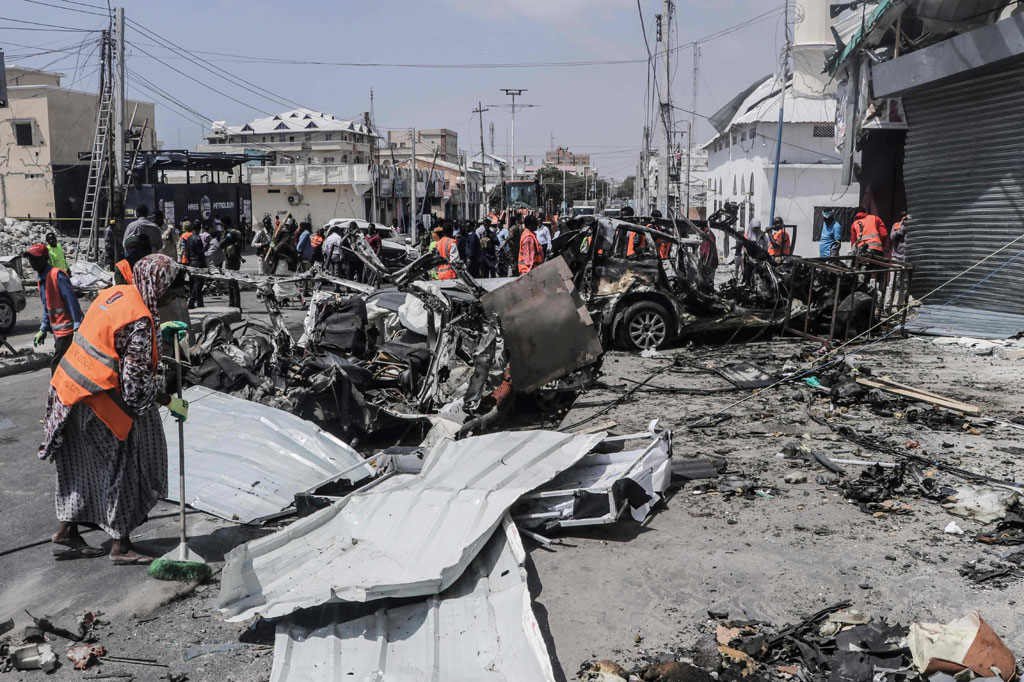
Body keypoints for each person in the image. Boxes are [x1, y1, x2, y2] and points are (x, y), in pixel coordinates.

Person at [43, 254, 190, 564]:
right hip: (97, 399)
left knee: (82, 468)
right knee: (122, 466)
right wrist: (168, 400)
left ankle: (67, 530)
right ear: (155, 283)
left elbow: (110, 338)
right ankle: (121, 546)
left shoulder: (115, 293)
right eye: (169, 289)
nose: (169, 297)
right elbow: (135, 389)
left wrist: (153, 341)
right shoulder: (139, 318)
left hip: (68, 392)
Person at [24, 243, 84, 373]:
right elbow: (48, 307)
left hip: (67, 330)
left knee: (57, 366)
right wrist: (43, 329)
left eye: (35, 258)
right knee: (68, 367)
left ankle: (56, 393)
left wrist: (77, 327)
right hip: (58, 331)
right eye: (30, 259)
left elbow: (72, 302)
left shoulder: (57, 275)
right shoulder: (41, 279)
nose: (32, 262)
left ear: (45, 258)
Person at [220, 220, 244, 308]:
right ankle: (235, 304)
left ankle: (234, 305)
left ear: (225, 225)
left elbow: (221, 244)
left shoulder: (229, 234)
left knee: (232, 285)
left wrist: (224, 234)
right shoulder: (237, 233)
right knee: (233, 283)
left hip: (230, 261)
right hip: (236, 260)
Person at [742, 219, 771, 286]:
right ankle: (748, 286)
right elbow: (743, 247)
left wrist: (764, 254)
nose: (756, 230)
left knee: (759, 273)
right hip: (749, 258)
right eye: (755, 228)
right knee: (748, 273)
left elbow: (766, 245)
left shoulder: (763, 235)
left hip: (759, 258)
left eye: (758, 228)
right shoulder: (747, 236)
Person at [185, 226, 207, 308]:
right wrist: (206, 247)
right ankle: (192, 302)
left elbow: (187, 250)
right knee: (198, 283)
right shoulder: (197, 238)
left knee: (193, 283)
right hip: (197, 262)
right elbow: (200, 252)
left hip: (191, 262)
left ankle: (199, 302)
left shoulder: (189, 238)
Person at [697, 224, 719, 291]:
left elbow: (706, 253)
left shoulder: (708, 238)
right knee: (709, 279)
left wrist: (703, 263)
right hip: (711, 262)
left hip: (709, 263)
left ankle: (709, 291)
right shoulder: (710, 236)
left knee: (708, 280)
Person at [296, 221, 313, 293]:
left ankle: (305, 291)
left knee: (304, 274)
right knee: (309, 273)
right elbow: (300, 245)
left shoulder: (306, 233)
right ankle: (310, 290)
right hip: (305, 257)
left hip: (305, 256)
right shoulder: (306, 234)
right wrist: (299, 252)